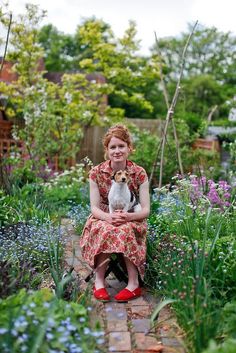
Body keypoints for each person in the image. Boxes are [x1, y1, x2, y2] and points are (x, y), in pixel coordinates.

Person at [80, 124, 150, 301]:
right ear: (107, 150)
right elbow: (94, 207)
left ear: (129, 148)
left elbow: (146, 210)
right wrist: (108, 218)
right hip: (104, 214)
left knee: (126, 230)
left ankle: (133, 284)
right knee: (104, 229)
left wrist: (128, 217)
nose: (117, 151)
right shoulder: (96, 172)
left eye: (121, 146)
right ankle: (99, 282)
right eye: (113, 147)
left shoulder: (139, 173)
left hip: (132, 214)